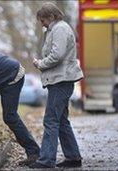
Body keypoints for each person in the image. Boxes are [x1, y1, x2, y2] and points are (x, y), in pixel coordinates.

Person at [29, 2, 84, 169]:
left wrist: (40, 63)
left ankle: (46, 160)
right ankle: (73, 157)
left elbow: (57, 55)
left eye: (43, 20)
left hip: (61, 80)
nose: (42, 24)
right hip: (61, 80)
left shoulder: (59, 29)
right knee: (61, 120)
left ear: (51, 17)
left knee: (51, 120)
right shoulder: (58, 29)